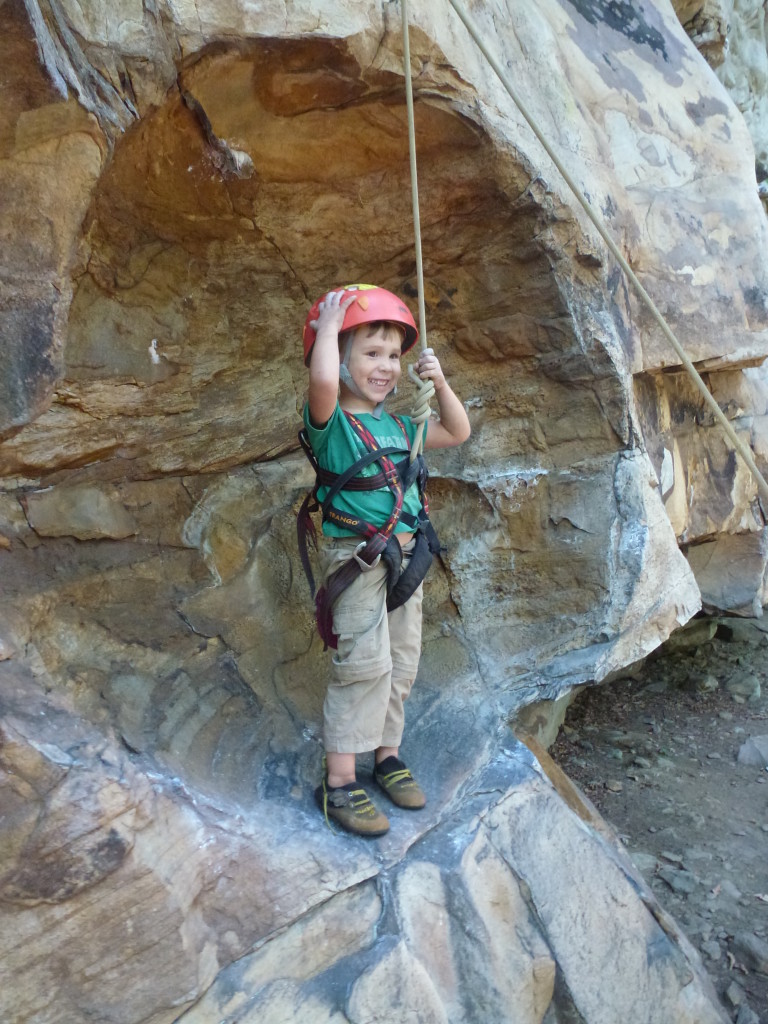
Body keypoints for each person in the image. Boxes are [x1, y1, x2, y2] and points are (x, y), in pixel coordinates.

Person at [300, 284, 471, 836]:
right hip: (358, 561)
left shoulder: (401, 426)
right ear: (342, 359)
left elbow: (458, 430)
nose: (386, 366)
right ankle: (340, 781)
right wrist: (329, 328)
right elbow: (324, 381)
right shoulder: (330, 427)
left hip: (406, 560)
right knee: (362, 665)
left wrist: (437, 382)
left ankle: (387, 755)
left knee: (401, 660)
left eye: (394, 356)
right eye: (370, 353)